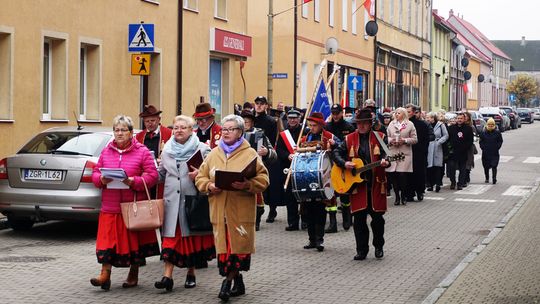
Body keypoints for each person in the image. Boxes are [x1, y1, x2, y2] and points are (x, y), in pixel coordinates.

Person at [195, 115, 270, 302]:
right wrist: (209, 186)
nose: (226, 132)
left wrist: (247, 185)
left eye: (231, 129)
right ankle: (238, 282)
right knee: (226, 250)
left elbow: (264, 180)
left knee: (237, 250)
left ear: (240, 132)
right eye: (224, 129)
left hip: (240, 212)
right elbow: (200, 177)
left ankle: (226, 284)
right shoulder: (214, 153)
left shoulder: (250, 154)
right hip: (220, 212)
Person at [90, 115, 160, 290]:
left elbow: (152, 176)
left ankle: (133, 273)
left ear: (131, 132)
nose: (119, 133)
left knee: (133, 243)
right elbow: (96, 173)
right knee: (107, 242)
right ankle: (105, 274)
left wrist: (133, 181)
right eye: (116, 130)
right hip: (110, 206)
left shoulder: (142, 151)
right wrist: (101, 180)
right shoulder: (107, 151)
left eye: (123, 130)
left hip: (131, 206)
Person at [154, 115, 216, 292]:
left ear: (191, 130)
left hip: (192, 200)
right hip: (171, 201)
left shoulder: (203, 149)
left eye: (183, 127)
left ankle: (191, 272)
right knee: (170, 238)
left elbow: (213, 172)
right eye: (175, 127)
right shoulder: (166, 150)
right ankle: (167, 277)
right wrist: (145, 175)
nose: (178, 130)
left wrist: (200, 175)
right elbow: (161, 174)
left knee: (191, 238)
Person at [332, 109, 390, 260]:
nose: (361, 126)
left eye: (364, 123)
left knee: (377, 220)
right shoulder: (348, 139)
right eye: (359, 124)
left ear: (370, 124)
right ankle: (361, 250)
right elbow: (336, 153)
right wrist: (345, 163)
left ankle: (378, 246)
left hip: (376, 185)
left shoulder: (381, 137)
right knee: (358, 221)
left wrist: (386, 162)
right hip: (358, 187)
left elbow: (387, 156)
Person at [299, 112, 336, 251]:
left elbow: (340, 149)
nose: (312, 128)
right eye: (310, 125)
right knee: (308, 210)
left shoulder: (329, 137)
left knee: (320, 210)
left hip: (323, 178)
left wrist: (334, 146)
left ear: (321, 125)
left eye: (314, 125)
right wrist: (294, 154)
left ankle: (319, 240)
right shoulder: (304, 138)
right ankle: (311, 240)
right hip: (307, 177)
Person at [240, 109, 277, 231]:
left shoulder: (260, 134)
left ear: (252, 123)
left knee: (257, 198)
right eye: (243, 121)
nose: (246, 124)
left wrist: (266, 153)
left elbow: (274, 154)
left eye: (248, 121)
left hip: (254, 171)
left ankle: (256, 221)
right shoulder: (234, 135)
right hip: (237, 170)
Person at [325, 104, 355, 231]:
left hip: (344, 162)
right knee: (330, 193)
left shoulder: (348, 127)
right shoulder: (327, 127)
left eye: (337, 113)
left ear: (341, 113)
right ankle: (332, 223)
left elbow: (351, 144)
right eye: (333, 113)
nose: (335, 115)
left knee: (344, 192)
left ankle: (347, 219)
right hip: (330, 162)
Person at [253, 96, 281, 223]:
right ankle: (258, 209)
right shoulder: (252, 120)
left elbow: (274, 139)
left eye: (261, 104)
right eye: (257, 103)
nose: (258, 106)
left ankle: (272, 209)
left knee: (270, 185)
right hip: (253, 155)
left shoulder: (270, 121)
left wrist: (268, 151)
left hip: (266, 155)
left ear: (266, 106)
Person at [135, 105, 173, 198]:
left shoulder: (169, 134)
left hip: (163, 177)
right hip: (144, 175)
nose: (149, 124)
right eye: (147, 121)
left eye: (152, 120)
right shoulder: (138, 137)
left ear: (159, 119)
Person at [276, 109, 304, 231]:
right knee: (290, 196)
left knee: (303, 195)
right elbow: (279, 150)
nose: (292, 120)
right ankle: (292, 222)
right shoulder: (284, 134)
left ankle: (305, 221)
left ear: (299, 119)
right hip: (288, 168)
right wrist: (287, 155)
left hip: (302, 167)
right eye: (290, 118)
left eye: (295, 118)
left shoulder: (304, 132)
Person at [386, 107, 417, 205]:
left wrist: (404, 140)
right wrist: (391, 141)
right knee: (393, 175)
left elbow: (415, 139)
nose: (396, 114)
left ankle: (403, 195)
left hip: (404, 153)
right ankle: (397, 197)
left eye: (398, 113)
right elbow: (386, 137)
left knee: (402, 175)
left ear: (403, 114)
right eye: (395, 113)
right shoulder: (391, 124)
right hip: (393, 152)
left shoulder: (410, 124)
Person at [405, 104, 430, 201]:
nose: (407, 114)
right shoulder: (404, 124)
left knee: (419, 173)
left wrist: (423, 152)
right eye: (406, 111)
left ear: (414, 112)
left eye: (409, 112)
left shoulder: (422, 124)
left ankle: (420, 191)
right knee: (408, 174)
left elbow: (426, 139)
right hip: (407, 152)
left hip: (419, 153)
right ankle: (409, 193)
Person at [447, 112, 474, 190]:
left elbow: (470, 141)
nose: (459, 120)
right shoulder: (451, 128)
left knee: (463, 169)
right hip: (453, 152)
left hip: (463, 152)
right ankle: (453, 182)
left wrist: (465, 147)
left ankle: (460, 184)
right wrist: (449, 147)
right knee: (451, 168)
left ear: (464, 119)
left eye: (461, 118)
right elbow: (448, 139)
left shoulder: (468, 128)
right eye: (458, 118)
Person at [426, 112, 448, 193]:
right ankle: (430, 185)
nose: (428, 119)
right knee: (429, 166)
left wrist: (439, 142)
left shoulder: (440, 125)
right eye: (427, 117)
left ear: (433, 118)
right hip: (428, 146)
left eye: (429, 117)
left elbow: (446, 135)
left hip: (438, 147)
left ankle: (438, 184)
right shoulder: (426, 125)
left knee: (437, 166)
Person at [479, 118, 503, 184]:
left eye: (492, 124)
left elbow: (500, 141)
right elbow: (481, 141)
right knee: (486, 166)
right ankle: (487, 178)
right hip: (486, 153)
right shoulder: (483, 133)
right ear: (487, 125)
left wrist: (497, 147)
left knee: (494, 165)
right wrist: (483, 147)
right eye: (489, 124)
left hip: (494, 152)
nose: (490, 126)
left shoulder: (497, 133)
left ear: (494, 125)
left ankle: (494, 178)